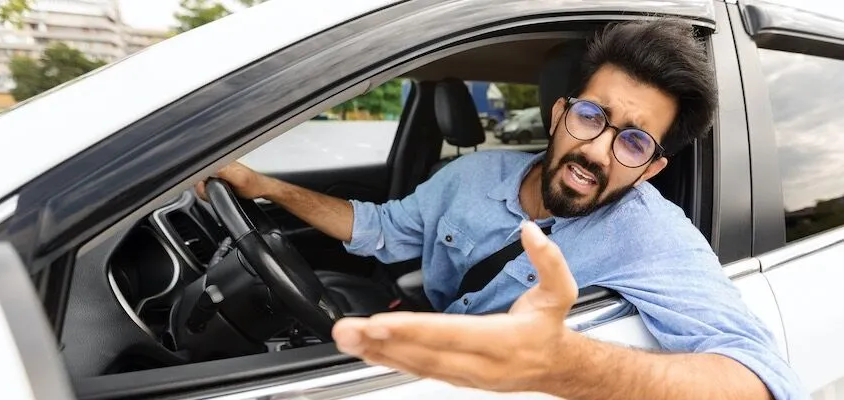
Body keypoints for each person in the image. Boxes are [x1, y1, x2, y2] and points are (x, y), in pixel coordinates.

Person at [200, 19, 807, 400]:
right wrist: (267, 187)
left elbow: (763, 380)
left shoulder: (650, 235)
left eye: (633, 140)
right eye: (592, 116)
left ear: (650, 170)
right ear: (560, 114)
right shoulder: (470, 176)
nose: (595, 150)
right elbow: (381, 230)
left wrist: (562, 365)